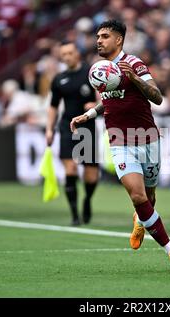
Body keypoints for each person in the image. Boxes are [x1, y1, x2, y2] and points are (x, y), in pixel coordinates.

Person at [70, 20, 170, 269]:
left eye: (104, 36)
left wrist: (134, 78)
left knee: (149, 197)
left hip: (147, 137)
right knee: (137, 195)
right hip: (120, 140)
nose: (98, 40)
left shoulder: (133, 63)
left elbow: (157, 97)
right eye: (97, 36)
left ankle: (140, 221)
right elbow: (109, 100)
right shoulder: (101, 69)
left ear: (118, 40)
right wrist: (89, 115)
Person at [46, 41, 99, 226]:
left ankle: (87, 200)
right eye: (64, 54)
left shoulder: (91, 72)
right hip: (68, 126)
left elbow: (102, 96)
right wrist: (49, 129)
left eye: (70, 52)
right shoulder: (59, 79)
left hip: (88, 127)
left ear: (77, 53)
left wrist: (95, 106)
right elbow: (53, 106)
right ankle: (75, 214)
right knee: (71, 169)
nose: (67, 56)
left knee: (91, 174)